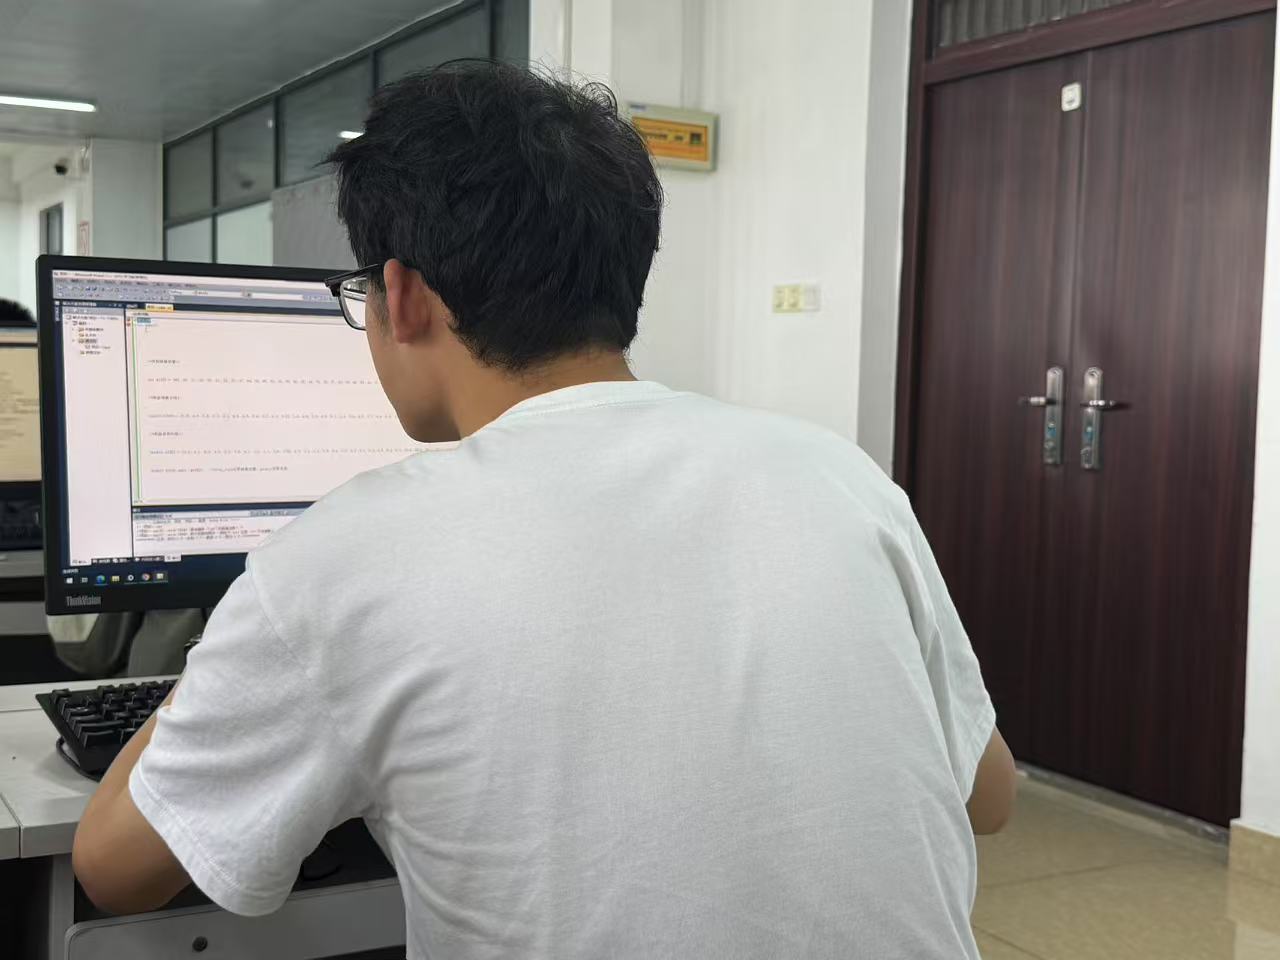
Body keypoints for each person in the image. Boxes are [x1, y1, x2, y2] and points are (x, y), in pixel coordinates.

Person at [71, 61, 1015, 959]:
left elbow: (115, 870)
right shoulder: (838, 474)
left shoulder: (340, 561)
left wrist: (236, 661)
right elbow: (989, 795)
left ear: (402, 296)